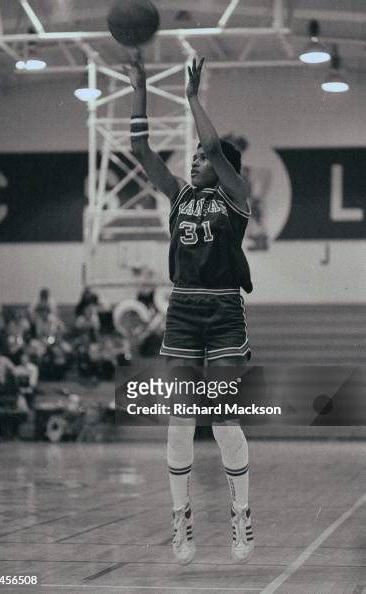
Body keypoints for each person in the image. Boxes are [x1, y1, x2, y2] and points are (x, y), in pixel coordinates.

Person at [127, 52, 254, 565]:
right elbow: (140, 148)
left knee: (222, 417)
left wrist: (193, 99)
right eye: (195, 158)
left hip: (224, 313)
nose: (195, 160)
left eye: (203, 158)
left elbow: (210, 144)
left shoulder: (236, 197)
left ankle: (241, 517)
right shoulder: (179, 196)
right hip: (182, 311)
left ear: (224, 169)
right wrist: (139, 86)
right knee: (181, 421)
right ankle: (181, 521)